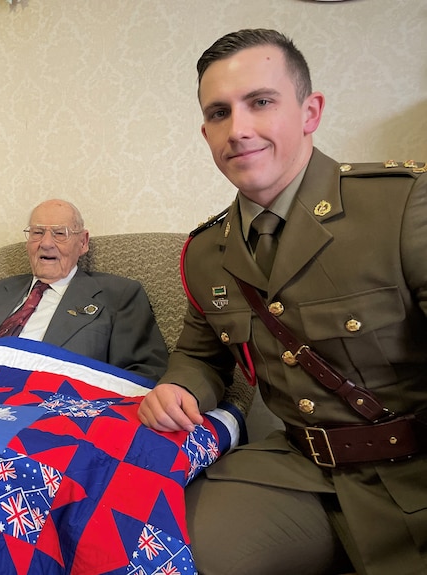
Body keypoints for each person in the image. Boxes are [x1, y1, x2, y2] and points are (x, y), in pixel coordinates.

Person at [138, 28, 427, 575]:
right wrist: (178, 386)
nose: (238, 129)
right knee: (167, 549)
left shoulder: (404, 206)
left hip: (413, 465)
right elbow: (201, 355)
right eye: (219, 113)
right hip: (294, 469)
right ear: (205, 132)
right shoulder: (205, 252)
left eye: (261, 102)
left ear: (310, 111)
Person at [0, 198, 169, 382]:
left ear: (82, 242)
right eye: (37, 232)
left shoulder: (119, 294)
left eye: (60, 233)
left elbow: (146, 374)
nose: (46, 243)